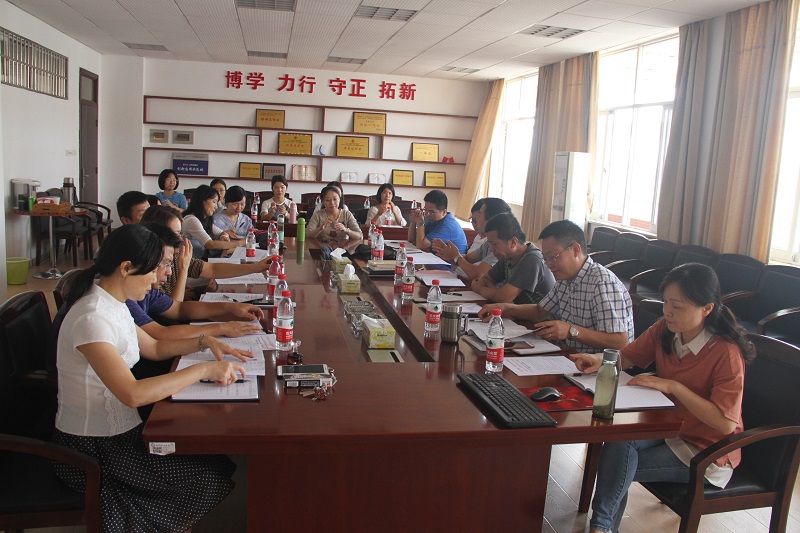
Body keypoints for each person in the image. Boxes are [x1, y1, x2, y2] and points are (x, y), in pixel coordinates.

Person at [52, 224, 249, 531]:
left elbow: (155, 347)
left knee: (213, 461)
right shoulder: (92, 317)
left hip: (122, 433)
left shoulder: (114, 303)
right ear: (126, 268)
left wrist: (204, 342)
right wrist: (203, 369)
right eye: (154, 270)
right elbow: (132, 394)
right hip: (91, 451)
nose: (160, 279)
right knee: (205, 477)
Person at [571, 263, 754, 533]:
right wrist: (600, 360)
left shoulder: (725, 352)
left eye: (677, 306)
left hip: (705, 451)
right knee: (619, 442)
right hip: (669, 429)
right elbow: (628, 356)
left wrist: (674, 387)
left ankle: (601, 527)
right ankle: (602, 527)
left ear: (707, 308)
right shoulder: (666, 329)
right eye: (666, 302)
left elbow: (725, 424)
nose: (667, 311)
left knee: (616, 465)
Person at [478, 220, 633, 352]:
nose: (549, 265)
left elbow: (620, 341)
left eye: (552, 257)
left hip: (598, 368)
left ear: (575, 249)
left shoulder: (602, 283)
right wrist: (504, 308)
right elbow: (539, 311)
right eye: (546, 259)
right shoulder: (564, 279)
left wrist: (571, 331)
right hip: (569, 356)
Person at [141, 206, 274, 300]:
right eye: (175, 234)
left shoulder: (176, 257)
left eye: (180, 233)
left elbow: (213, 269)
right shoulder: (151, 270)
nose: (180, 239)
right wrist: (183, 271)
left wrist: (256, 267)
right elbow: (174, 309)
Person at [471, 213, 554, 304]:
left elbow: (503, 298)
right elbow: (486, 279)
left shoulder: (532, 259)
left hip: (539, 313)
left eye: (494, 244)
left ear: (513, 242)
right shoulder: (507, 256)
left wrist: (480, 289)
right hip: (514, 311)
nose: (491, 249)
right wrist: (497, 294)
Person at [432, 197, 510, 280]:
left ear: (492, 220)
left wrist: (456, 257)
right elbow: (467, 258)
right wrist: (448, 254)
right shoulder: (488, 243)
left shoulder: (502, 245)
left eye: (479, 215)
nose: (474, 222)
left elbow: (478, 275)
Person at [183, 185, 245, 258]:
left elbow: (222, 232)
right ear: (203, 200)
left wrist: (223, 236)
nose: (216, 207)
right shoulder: (191, 220)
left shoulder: (205, 220)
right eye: (214, 202)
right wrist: (239, 243)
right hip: (190, 263)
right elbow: (209, 244)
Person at [407, 189, 467, 254]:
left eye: (431, 212)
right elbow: (411, 240)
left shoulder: (447, 226)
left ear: (444, 212)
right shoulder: (434, 221)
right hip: (438, 258)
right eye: (425, 210)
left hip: (452, 260)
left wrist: (420, 223)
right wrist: (413, 221)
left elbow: (421, 245)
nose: (427, 214)